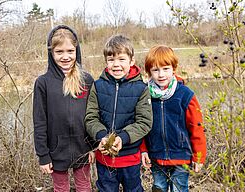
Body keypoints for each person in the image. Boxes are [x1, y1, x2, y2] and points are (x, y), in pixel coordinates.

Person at [85, 34, 153, 192]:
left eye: (121, 59)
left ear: (131, 61)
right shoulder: (98, 86)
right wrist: (102, 136)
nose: (116, 64)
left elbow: (144, 122)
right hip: (105, 159)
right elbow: (90, 118)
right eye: (111, 59)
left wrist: (122, 138)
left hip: (130, 158)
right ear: (106, 62)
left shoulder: (141, 89)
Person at [33, 25, 94, 192]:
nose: (65, 56)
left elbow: (93, 116)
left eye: (70, 51)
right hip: (56, 150)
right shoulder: (43, 83)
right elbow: (39, 122)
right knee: (61, 188)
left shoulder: (87, 80)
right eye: (59, 52)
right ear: (51, 53)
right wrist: (43, 155)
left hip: (83, 148)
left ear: (77, 51)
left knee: (84, 186)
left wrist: (93, 146)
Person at [141, 45, 207, 192]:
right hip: (156, 154)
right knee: (159, 187)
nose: (161, 74)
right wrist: (143, 150)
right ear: (149, 72)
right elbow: (141, 125)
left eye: (165, 69)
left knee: (179, 188)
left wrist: (199, 155)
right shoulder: (145, 95)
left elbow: (196, 127)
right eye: (155, 70)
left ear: (174, 69)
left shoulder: (185, 95)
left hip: (181, 154)